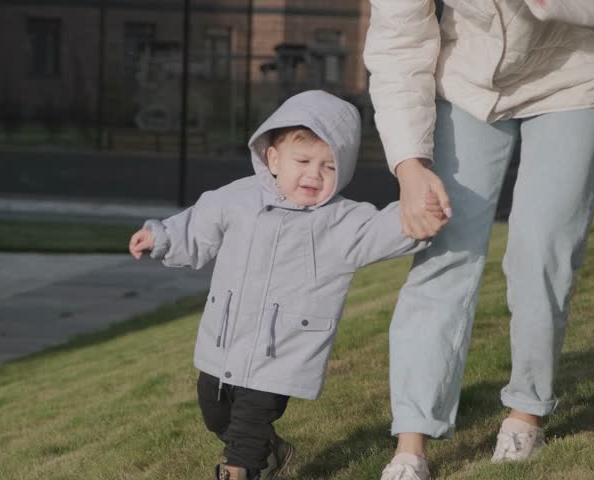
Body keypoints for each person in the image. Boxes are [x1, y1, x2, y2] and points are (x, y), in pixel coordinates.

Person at [364, 1, 594, 478]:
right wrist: (409, 166)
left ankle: (525, 415)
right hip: (469, 78)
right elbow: (397, 42)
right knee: (443, 250)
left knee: (540, 253)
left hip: (578, 75)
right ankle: (411, 447)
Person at [128, 90, 435, 480]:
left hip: (283, 348)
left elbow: (385, 229)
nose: (313, 174)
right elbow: (197, 226)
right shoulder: (237, 198)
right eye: (303, 161)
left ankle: (241, 469)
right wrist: (162, 237)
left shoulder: (341, 222)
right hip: (224, 339)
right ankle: (271, 452)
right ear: (273, 158)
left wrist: (421, 214)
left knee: (247, 431)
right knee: (215, 412)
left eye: (329, 167)